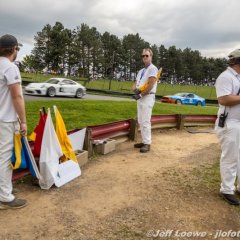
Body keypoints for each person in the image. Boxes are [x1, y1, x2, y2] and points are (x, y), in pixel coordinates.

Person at [0, 34, 27, 209]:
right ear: (13, 49)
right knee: (4, 158)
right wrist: (23, 121)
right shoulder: (10, 67)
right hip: (6, 120)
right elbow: (17, 96)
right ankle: (5, 196)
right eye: (17, 48)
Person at [215, 49, 240, 206]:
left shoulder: (237, 77)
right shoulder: (225, 77)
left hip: (238, 122)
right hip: (230, 123)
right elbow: (223, 99)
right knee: (230, 158)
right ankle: (227, 189)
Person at [132, 48, 158, 153]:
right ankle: (144, 141)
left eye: (147, 55)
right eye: (143, 56)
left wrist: (140, 94)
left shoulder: (153, 69)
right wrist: (135, 89)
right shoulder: (141, 71)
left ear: (151, 57)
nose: (144, 57)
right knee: (140, 120)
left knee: (146, 121)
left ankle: (147, 143)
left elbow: (151, 85)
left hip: (147, 97)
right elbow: (136, 83)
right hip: (140, 96)